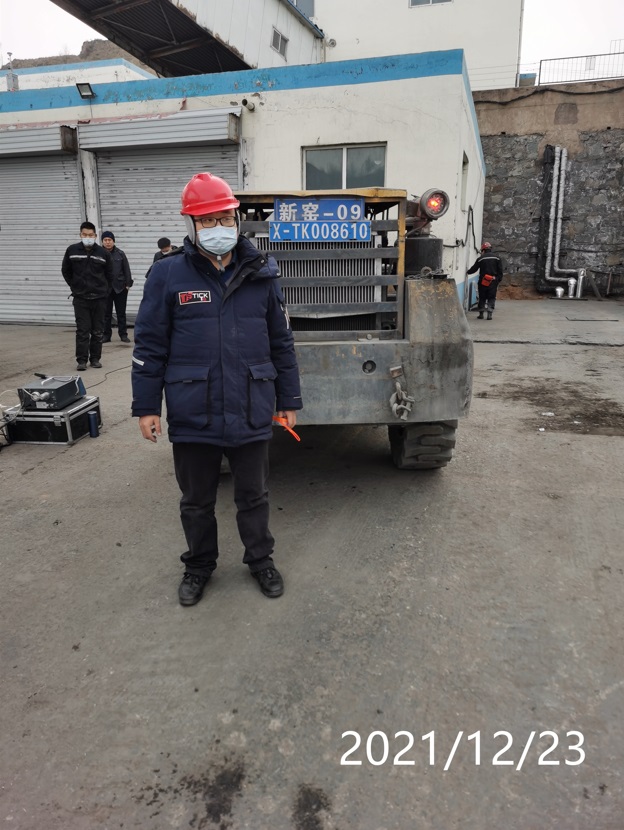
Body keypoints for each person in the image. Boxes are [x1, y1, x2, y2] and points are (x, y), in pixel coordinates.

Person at [131, 172, 302, 607]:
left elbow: (281, 342)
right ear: (192, 225)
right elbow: (149, 345)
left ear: (236, 219)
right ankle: (198, 566)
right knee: (196, 500)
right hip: (195, 407)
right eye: (207, 221)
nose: (217, 228)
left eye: (224, 218)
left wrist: (289, 399)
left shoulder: (262, 272)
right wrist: (146, 407)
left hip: (250, 404)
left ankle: (260, 560)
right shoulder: (168, 274)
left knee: (254, 495)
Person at [62, 221, 113, 371]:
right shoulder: (72, 250)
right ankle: (82, 360)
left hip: (99, 298)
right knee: (82, 331)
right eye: (85, 235)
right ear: (80, 235)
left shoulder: (103, 253)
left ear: (95, 236)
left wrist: (104, 291)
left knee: (98, 331)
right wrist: (75, 286)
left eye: (90, 235)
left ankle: (95, 359)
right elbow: (66, 270)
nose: (88, 237)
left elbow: (110, 274)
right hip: (81, 298)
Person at [101, 231, 133, 343]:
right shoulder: (99, 254)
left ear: (113, 241)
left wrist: (128, 284)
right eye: (105, 240)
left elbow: (126, 269)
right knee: (106, 314)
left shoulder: (120, 254)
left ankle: (123, 335)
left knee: (121, 313)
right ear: (102, 241)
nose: (108, 242)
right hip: (105, 289)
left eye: (110, 240)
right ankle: (106, 335)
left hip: (120, 288)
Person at [467, 242, 504, 320]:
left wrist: (468, 272)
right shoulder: (497, 258)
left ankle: (481, 314)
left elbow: (474, 269)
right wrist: (498, 280)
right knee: (491, 297)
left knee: (482, 297)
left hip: (483, 282)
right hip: (493, 281)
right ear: (490, 249)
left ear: (483, 250)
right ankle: (489, 314)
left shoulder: (481, 259)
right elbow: (500, 271)